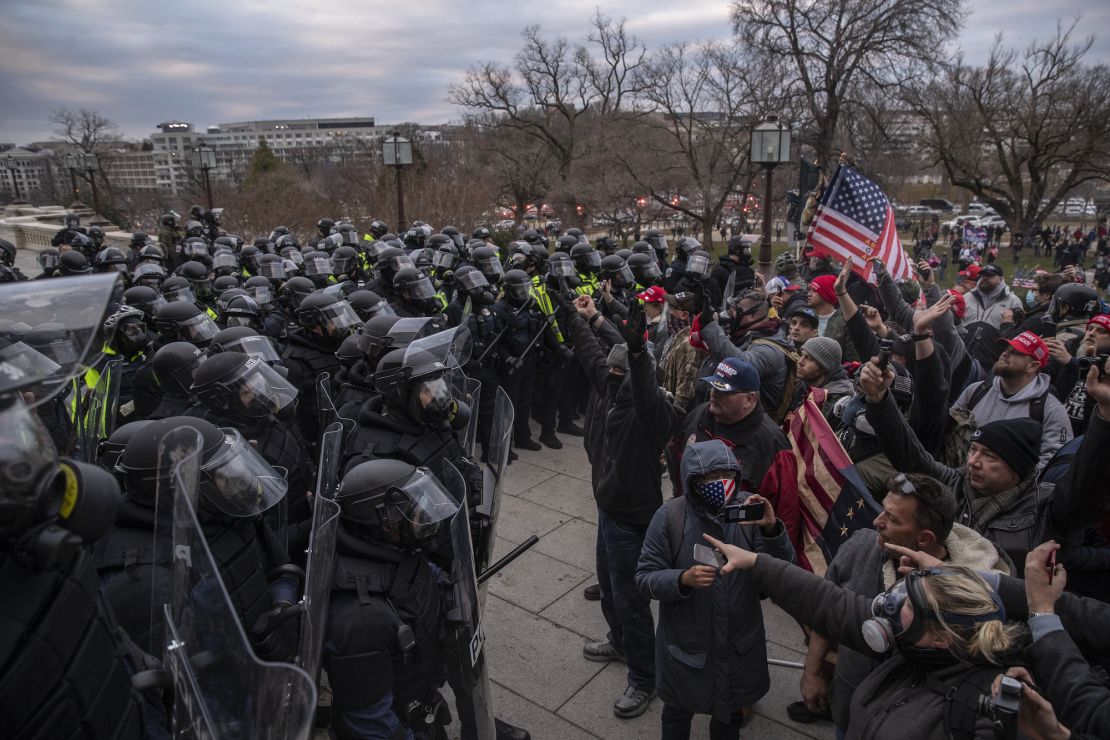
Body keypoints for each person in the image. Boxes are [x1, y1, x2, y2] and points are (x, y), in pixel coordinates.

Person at [704, 534, 1052, 740]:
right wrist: (755, 562)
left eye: (909, 603)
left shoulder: (977, 716)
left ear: (943, 637)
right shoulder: (915, 643)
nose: (890, 603)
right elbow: (829, 603)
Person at [787, 473, 1010, 731]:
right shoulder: (860, 546)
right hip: (848, 711)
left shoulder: (966, 596)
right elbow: (827, 613)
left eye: (891, 518)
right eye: (883, 510)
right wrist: (812, 671)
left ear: (924, 538)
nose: (876, 521)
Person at [859, 356, 1102, 572]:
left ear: (1017, 470)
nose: (973, 461)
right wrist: (879, 399)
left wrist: (1105, 414)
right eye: (973, 450)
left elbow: (1088, 480)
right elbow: (910, 456)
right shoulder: (953, 483)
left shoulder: (1046, 510)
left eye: (990, 456)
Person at [555, 296, 678, 719]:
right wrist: (573, 317)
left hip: (632, 519)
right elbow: (593, 352)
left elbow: (640, 380)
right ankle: (620, 642)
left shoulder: (652, 412)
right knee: (608, 586)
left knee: (631, 599)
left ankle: (645, 678)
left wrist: (640, 354)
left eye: (618, 372)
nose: (608, 375)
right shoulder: (608, 386)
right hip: (607, 509)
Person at [636, 440, 794, 740]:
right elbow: (645, 578)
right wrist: (682, 579)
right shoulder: (670, 517)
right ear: (691, 480)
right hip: (685, 650)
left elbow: (783, 574)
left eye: (725, 474)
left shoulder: (749, 511)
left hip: (737, 650)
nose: (718, 483)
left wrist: (773, 530)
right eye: (708, 478)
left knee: (728, 721)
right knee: (676, 715)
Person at [950, 330, 1072, 469]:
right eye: (1006, 349)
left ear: (1033, 366)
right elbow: (949, 432)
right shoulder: (976, 391)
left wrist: (1015, 482)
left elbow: (1056, 461)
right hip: (961, 481)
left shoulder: (1050, 409)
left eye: (1016, 352)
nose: (1004, 354)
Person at [794, 336, 853, 427]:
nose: (800, 362)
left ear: (825, 366)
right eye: (802, 355)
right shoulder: (802, 386)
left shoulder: (837, 403)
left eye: (809, 358)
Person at [806, 274, 858, 362]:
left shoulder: (844, 322)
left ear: (826, 294)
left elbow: (852, 361)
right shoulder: (805, 317)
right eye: (809, 290)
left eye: (814, 290)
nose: (808, 294)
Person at [963, 265, 1023, 329]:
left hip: (997, 338)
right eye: (983, 275)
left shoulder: (1013, 301)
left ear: (1001, 279)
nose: (985, 278)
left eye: (990, 275)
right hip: (966, 338)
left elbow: (1018, 328)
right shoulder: (967, 297)